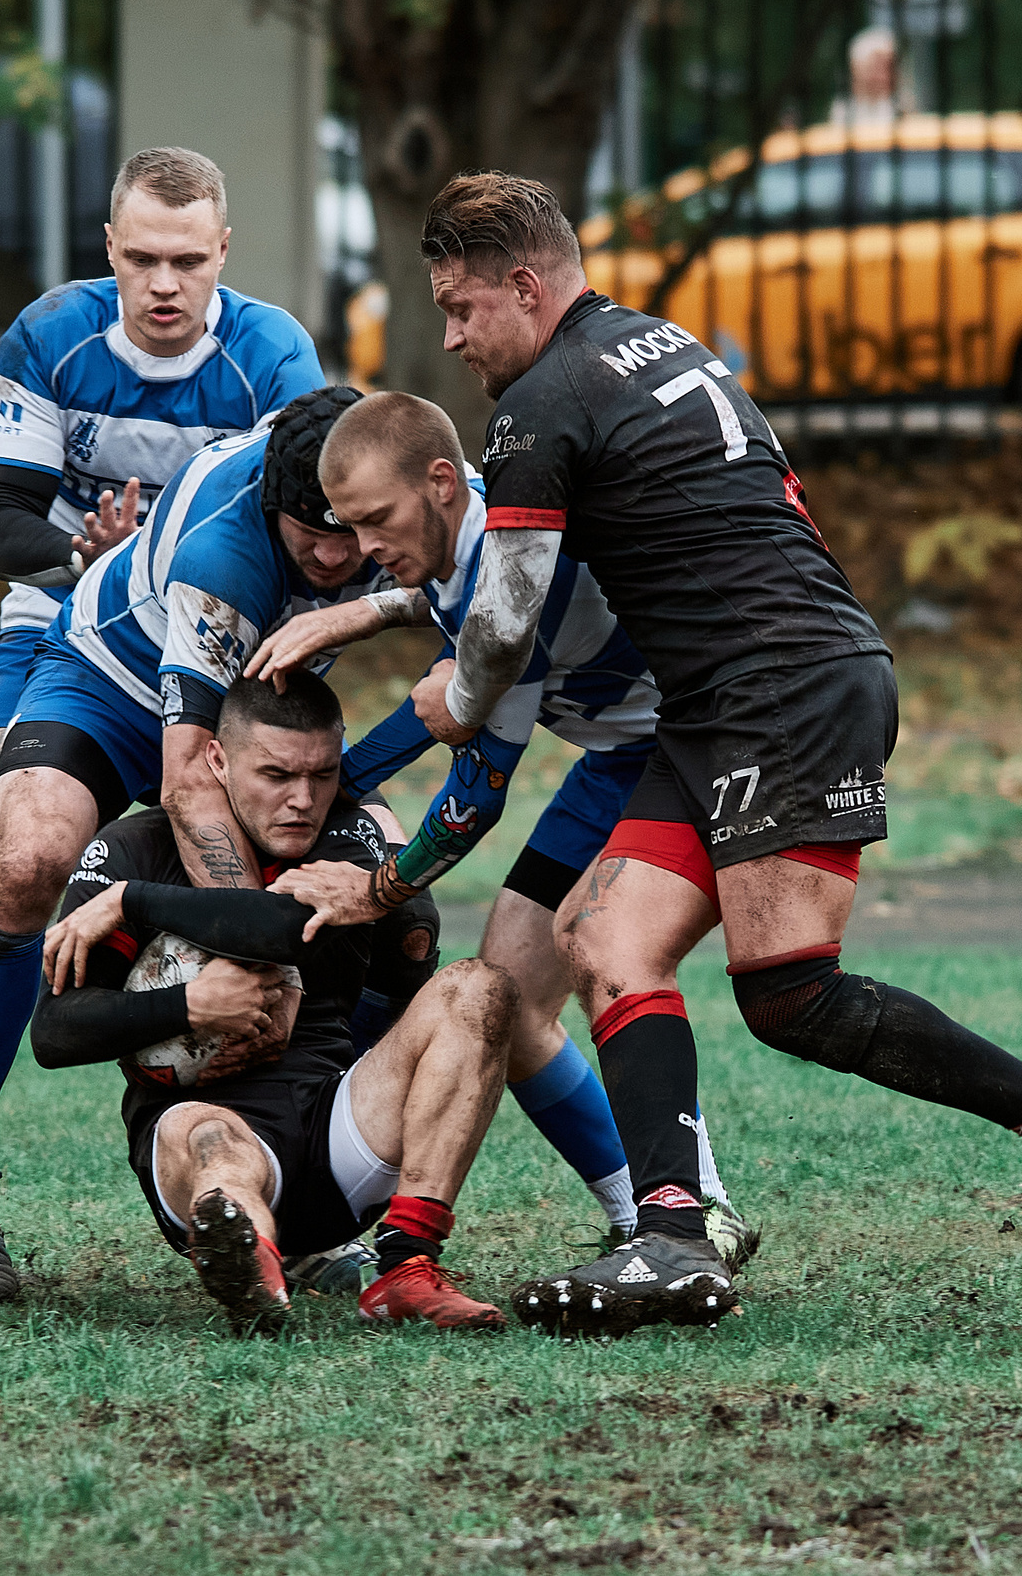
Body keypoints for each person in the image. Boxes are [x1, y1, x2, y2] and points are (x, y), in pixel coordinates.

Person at [408, 170, 1022, 1336]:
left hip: (785, 692)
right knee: (603, 937)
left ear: (524, 283)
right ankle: (667, 1235)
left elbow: (503, 625)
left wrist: (454, 698)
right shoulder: (655, 341)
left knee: (789, 992)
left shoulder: (540, 403)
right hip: (719, 701)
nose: (451, 336)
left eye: (462, 308)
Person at [0, 146, 323, 1282]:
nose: (164, 284)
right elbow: (3, 527)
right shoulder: (51, 335)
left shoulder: (274, 355)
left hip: (221, 659)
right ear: (109, 251)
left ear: (223, 252)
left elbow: (302, 527)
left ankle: (304, 1187)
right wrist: (100, 549)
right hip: (62, 636)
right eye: (142, 259)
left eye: (188, 260)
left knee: (275, 885)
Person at [0, 384, 415, 1306]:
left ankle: (301, 1174)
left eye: (351, 534)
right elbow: (191, 774)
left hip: (266, 724)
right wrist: (246, 966)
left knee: (390, 887)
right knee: (26, 860)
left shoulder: (409, 484)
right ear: (274, 499)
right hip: (112, 676)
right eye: (310, 535)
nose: (335, 557)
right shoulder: (223, 550)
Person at [244, 390, 755, 1266]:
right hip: (619, 761)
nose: (363, 551)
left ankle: (693, 1209)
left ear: (440, 483)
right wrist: (361, 639)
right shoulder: (479, 515)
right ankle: (658, 1209)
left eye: (375, 523)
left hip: (678, 758)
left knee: (602, 966)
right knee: (510, 996)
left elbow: (474, 797)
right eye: (349, 527)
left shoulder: (512, 594)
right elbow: (444, 634)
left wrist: (376, 890)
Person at [31, 669, 514, 1331]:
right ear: (217, 760)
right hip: (194, 1129)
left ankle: (406, 1265)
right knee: (210, 1142)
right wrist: (191, 1007)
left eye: (321, 775)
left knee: (480, 989)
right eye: (277, 775)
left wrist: (132, 905)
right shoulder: (131, 850)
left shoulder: (345, 835)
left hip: (337, 1125)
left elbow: (282, 926)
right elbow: (54, 1034)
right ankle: (248, 1264)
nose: (303, 800)